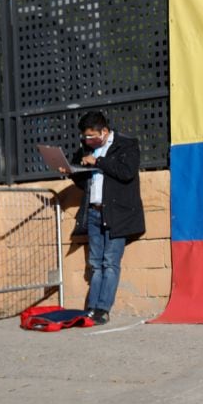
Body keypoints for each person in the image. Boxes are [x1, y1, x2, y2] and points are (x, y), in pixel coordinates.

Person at [65, 111, 146, 325]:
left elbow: (126, 172)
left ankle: (103, 309)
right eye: (85, 137)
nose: (88, 141)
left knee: (110, 262)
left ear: (104, 131)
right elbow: (85, 183)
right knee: (95, 263)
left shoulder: (126, 144)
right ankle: (91, 308)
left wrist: (98, 161)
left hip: (117, 213)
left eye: (91, 136)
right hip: (93, 211)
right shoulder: (86, 148)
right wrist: (71, 171)